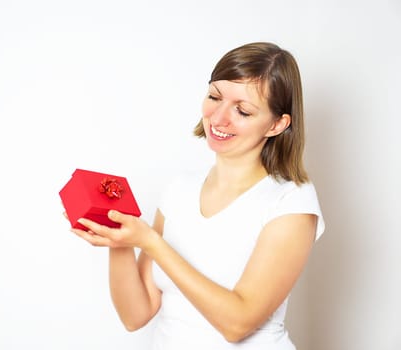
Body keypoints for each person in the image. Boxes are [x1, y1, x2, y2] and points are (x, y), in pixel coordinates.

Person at [68, 42, 325, 349]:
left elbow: (237, 323)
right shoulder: (180, 190)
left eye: (242, 110)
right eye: (214, 96)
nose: (218, 118)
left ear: (277, 124)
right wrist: (120, 241)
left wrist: (150, 241)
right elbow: (135, 315)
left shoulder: (291, 201)